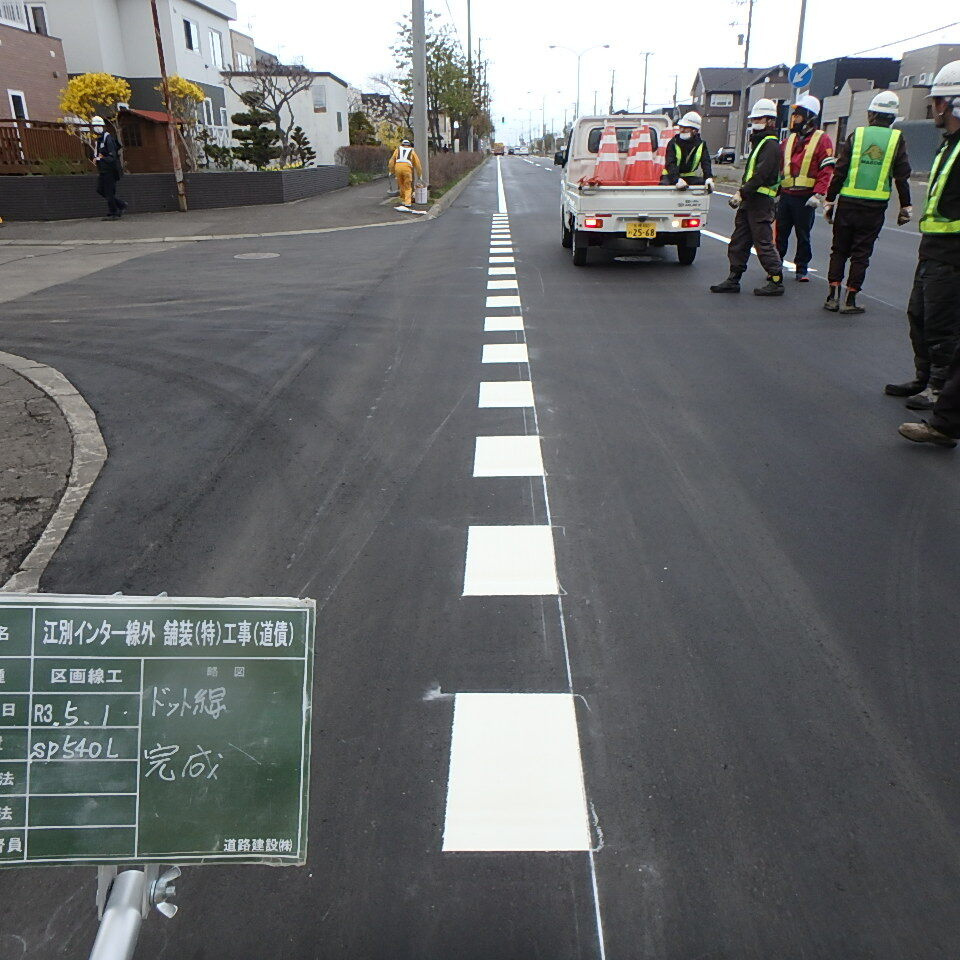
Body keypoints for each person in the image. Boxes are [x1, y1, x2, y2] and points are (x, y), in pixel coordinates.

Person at [896, 60, 960, 443]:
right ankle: (925, 380)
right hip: (933, 246)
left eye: (938, 102)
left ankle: (938, 390)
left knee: (942, 325)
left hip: (953, 253)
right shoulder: (949, 145)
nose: (933, 108)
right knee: (918, 314)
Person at [823, 91, 912, 315]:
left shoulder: (856, 135)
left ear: (871, 114)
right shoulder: (896, 139)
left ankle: (832, 297)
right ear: (892, 118)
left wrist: (830, 200)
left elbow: (840, 170)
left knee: (839, 249)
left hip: (848, 203)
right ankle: (850, 300)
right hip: (874, 207)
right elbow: (902, 175)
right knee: (861, 253)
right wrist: (905, 206)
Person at [710, 98, 785, 296]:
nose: (755, 123)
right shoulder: (761, 143)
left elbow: (761, 175)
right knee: (739, 241)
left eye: (759, 119)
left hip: (760, 202)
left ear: (770, 121)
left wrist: (741, 193)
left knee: (763, 242)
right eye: (754, 119)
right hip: (750, 201)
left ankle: (776, 280)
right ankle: (733, 279)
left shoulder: (770, 145)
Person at [776, 94, 834, 282]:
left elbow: (826, 169)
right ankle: (775, 267)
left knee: (803, 235)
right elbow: (780, 167)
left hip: (805, 198)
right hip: (785, 195)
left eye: (798, 116)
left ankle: (802, 268)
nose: (794, 120)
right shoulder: (789, 140)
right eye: (794, 116)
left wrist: (819, 193)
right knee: (780, 234)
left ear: (809, 116)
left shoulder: (822, 140)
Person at [662, 111, 715, 191]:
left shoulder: (701, 145)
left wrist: (708, 178)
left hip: (689, 177)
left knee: (705, 185)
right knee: (664, 186)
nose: (682, 130)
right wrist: (677, 180)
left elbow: (706, 163)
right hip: (670, 176)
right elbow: (670, 163)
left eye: (686, 128)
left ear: (695, 130)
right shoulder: (673, 143)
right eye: (681, 127)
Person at [91, 116, 126, 221]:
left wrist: (100, 159)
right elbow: (100, 154)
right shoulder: (99, 140)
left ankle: (114, 212)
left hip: (110, 170)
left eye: (96, 126)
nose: (94, 128)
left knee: (109, 192)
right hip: (103, 170)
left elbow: (112, 156)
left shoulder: (108, 138)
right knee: (101, 189)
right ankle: (120, 205)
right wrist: (97, 158)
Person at [388, 138, 423, 209]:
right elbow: (418, 164)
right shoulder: (412, 151)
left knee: (401, 185)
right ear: (409, 145)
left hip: (397, 168)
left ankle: (404, 199)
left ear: (402, 144)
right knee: (407, 185)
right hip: (407, 169)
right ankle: (407, 202)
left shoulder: (397, 150)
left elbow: (391, 161)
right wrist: (419, 175)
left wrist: (391, 171)